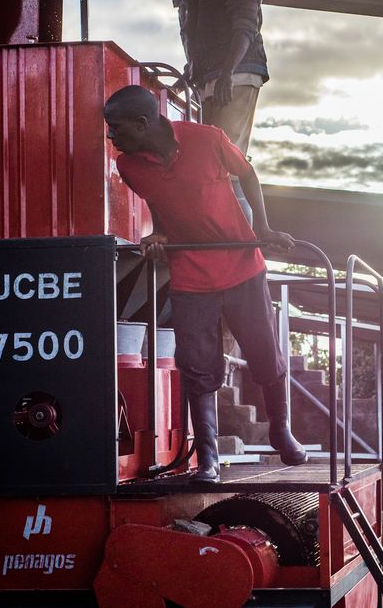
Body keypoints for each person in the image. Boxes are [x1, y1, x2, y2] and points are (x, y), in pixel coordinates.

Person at [103, 84, 306, 483]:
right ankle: (208, 457)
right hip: (192, 273)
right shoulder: (128, 166)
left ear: (143, 123)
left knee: (265, 354)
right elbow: (160, 201)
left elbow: (248, 174)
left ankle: (282, 430)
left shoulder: (207, 139)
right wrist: (160, 234)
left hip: (242, 266)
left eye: (116, 127)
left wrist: (262, 228)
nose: (111, 136)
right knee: (197, 364)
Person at [173, 0, 269, 224]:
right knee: (207, 158)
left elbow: (245, 27)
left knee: (226, 156)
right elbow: (195, 41)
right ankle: (216, 227)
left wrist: (228, 70)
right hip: (207, 80)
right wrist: (190, 70)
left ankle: (243, 237)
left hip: (236, 75)